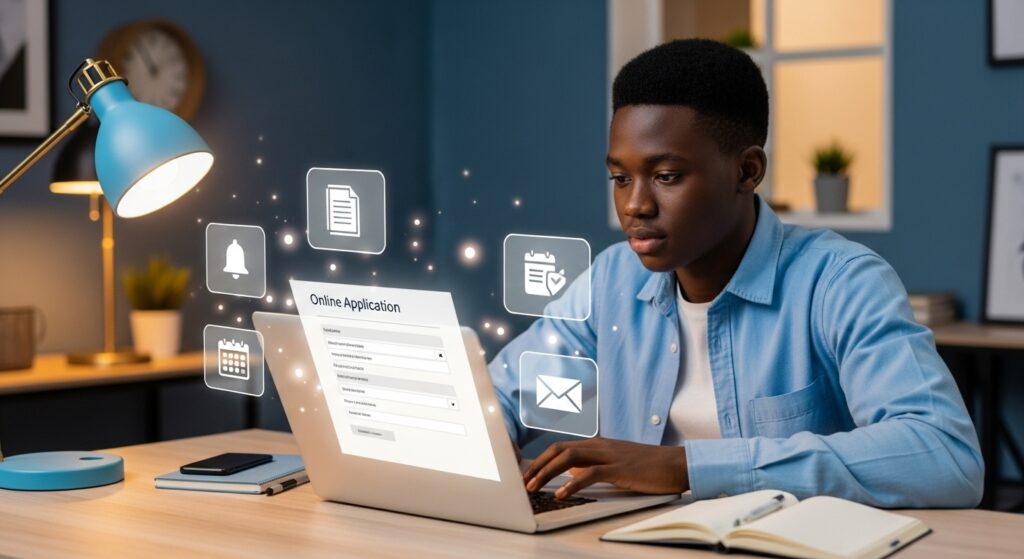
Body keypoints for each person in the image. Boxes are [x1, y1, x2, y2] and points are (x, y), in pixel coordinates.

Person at [487, 39, 983, 508]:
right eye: (620, 178)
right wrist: (488, 439)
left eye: (666, 177)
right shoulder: (610, 283)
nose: (635, 205)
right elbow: (498, 400)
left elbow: (944, 454)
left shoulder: (840, 282)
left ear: (748, 171)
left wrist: (686, 467)